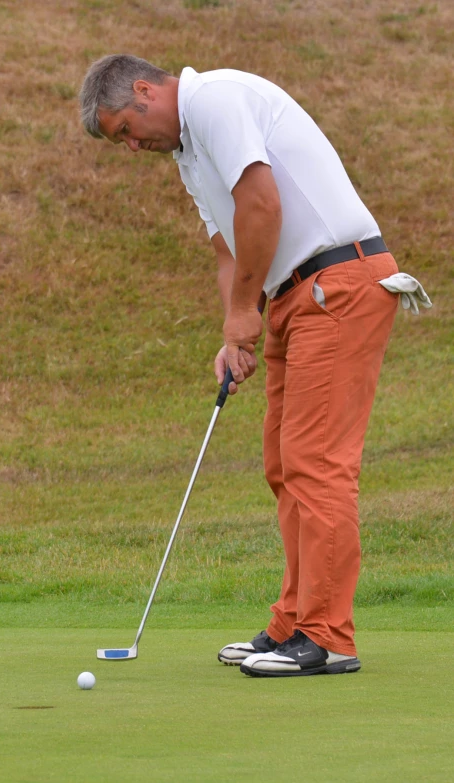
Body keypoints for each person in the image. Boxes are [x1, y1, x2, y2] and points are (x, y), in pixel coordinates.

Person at [79, 55, 431, 678]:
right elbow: (228, 247)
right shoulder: (189, 153)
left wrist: (246, 311)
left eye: (125, 131)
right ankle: (294, 623)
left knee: (317, 464)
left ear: (143, 91)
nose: (132, 147)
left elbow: (261, 205)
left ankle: (329, 636)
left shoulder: (216, 99)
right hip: (293, 296)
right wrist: (235, 330)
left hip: (338, 282)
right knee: (284, 463)